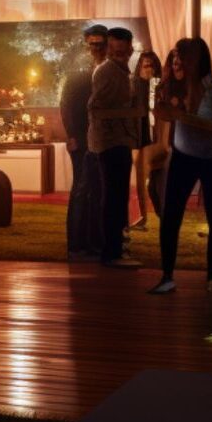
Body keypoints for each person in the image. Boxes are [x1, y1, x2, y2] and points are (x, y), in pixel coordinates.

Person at [150, 39, 212, 294]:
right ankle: (167, 276)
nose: (176, 59)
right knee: (171, 214)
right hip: (184, 154)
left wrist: (183, 117)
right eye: (175, 54)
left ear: (197, 59)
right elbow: (164, 115)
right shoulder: (172, 85)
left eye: (182, 55)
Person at [89, 27, 145, 269]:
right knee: (114, 198)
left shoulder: (122, 72)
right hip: (111, 143)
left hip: (120, 141)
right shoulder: (108, 72)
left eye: (124, 49)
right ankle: (112, 253)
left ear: (131, 48)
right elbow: (95, 109)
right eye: (114, 50)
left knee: (117, 197)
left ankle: (115, 250)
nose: (119, 54)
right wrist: (133, 113)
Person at [62, 26, 109, 260]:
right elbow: (66, 104)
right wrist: (71, 135)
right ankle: (76, 245)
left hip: (100, 138)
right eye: (92, 44)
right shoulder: (79, 72)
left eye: (100, 44)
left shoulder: (107, 70)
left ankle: (92, 243)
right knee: (81, 189)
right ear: (86, 44)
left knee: (96, 190)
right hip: (81, 138)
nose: (96, 48)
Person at [132, 50, 170, 230]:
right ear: (139, 67)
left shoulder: (161, 87)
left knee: (158, 183)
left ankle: (162, 216)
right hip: (141, 140)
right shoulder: (135, 85)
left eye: (151, 65)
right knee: (145, 181)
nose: (148, 69)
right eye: (145, 65)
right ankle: (142, 217)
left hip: (159, 140)